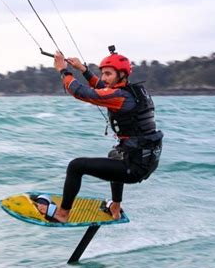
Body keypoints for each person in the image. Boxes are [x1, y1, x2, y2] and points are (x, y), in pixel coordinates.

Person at [35, 46, 163, 222]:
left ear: (122, 75)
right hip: (145, 161)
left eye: (108, 74)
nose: (104, 78)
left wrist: (63, 70)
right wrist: (83, 70)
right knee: (115, 154)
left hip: (135, 167)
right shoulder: (135, 92)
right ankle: (115, 208)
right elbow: (103, 87)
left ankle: (62, 214)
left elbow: (81, 92)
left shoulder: (121, 97)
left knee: (76, 166)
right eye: (102, 73)